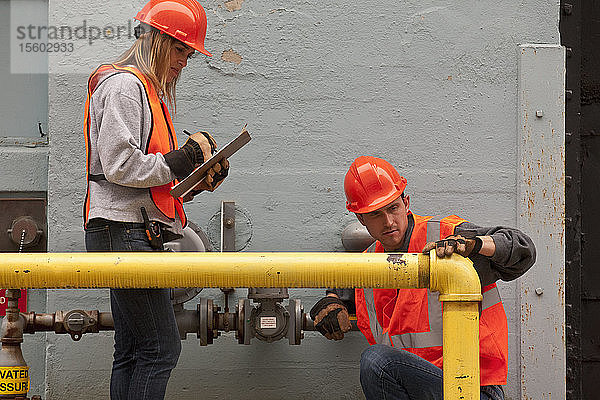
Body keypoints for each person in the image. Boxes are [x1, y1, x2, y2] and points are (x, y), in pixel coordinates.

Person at [82, 1, 228, 399]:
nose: (184, 61)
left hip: (125, 229)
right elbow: (120, 165)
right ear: (156, 40)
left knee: (132, 350)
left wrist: (194, 179)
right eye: (180, 49)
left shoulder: (144, 90)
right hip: (125, 232)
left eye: (188, 53)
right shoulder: (126, 87)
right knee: (161, 348)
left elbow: (146, 176)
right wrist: (182, 160)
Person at [310, 156, 536, 400]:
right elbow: (344, 287)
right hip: (415, 389)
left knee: (376, 360)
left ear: (406, 203)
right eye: (376, 214)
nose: (388, 222)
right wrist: (332, 299)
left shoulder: (447, 239)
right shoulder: (368, 265)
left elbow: (524, 250)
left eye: (393, 208)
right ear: (361, 219)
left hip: (473, 389)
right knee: (378, 361)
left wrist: (477, 245)